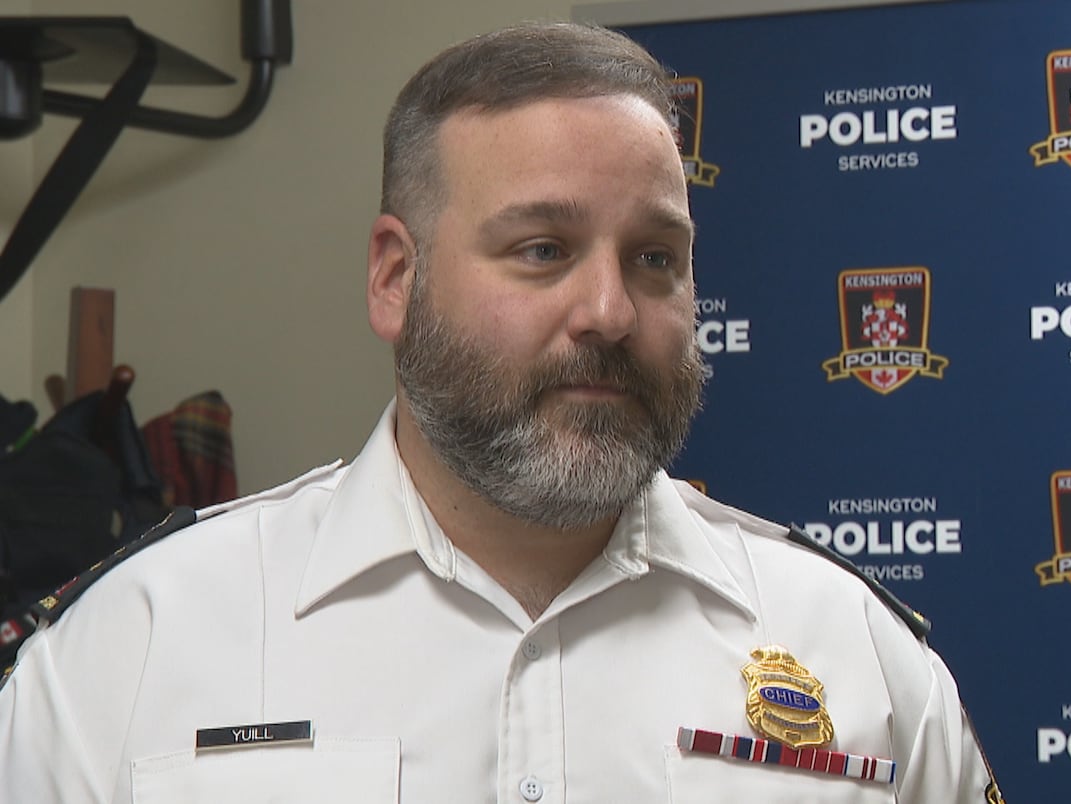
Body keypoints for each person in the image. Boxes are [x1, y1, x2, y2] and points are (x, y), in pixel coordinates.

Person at [0, 21, 1003, 803]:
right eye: (541, 250)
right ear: (396, 278)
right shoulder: (131, 646)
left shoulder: (855, 654)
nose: (608, 311)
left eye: (654, 259)